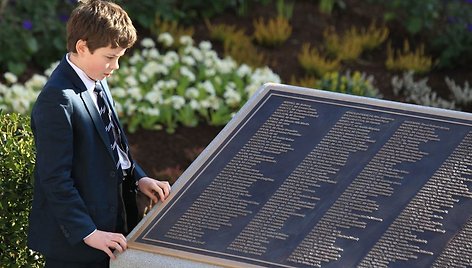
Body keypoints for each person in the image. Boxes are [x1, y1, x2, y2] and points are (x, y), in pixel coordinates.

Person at [27, 0, 171, 267]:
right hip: (77, 246)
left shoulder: (96, 78)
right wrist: (89, 232)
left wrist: (138, 177)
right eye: (110, 57)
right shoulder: (57, 100)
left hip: (111, 223)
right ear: (82, 47)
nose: (115, 66)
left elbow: (112, 146)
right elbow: (54, 178)